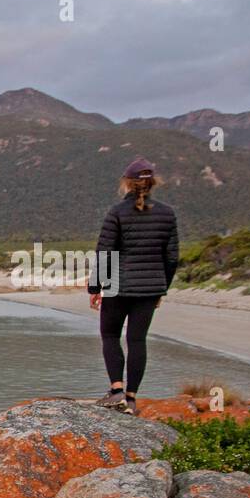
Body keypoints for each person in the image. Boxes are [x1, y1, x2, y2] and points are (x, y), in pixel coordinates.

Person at [88, 157, 179, 415]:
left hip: (118, 285)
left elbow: (105, 252)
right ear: (153, 183)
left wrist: (95, 288)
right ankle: (131, 398)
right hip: (150, 288)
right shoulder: (167, 213)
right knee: (137, 340)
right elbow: (172, 258)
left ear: (126, 183)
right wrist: (162, 289)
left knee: (110, 335)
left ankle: (116, 389)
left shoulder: (116, 212)